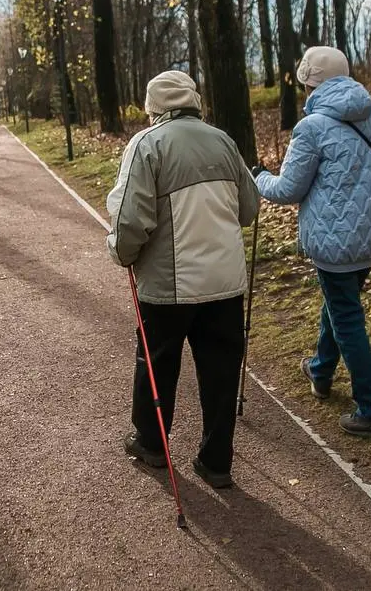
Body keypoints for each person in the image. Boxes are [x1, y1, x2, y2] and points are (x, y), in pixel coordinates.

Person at [107, 70, 260, 488]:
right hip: (225, 284)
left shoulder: (146, 145)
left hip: (168, 287)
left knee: (156, 364)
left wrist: (121, 252)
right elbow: (249, 209)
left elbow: (131, 218)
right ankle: (216, 461)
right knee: (221, 370)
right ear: (194, 100)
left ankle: (152, 442)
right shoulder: (224, 141)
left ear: (152, 108)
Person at [253, 46, 371, 438]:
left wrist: (258, 177)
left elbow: (288, 189)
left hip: (335, 241)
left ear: (310, 83)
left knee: (346, 316)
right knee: (341, 305)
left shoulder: (311, 128)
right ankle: (321, 370)